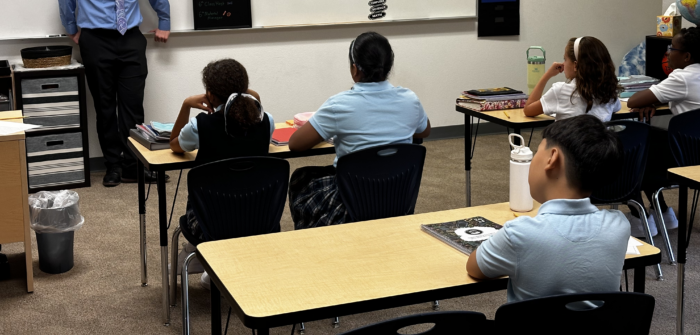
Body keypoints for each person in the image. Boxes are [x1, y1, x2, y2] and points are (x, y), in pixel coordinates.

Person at [58, 0, 171, 187]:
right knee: (105, 106)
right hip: (96, 40)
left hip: (130, 39)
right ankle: (113, 166)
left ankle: (136, 164)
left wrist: (164, 21)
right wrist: (72, 28)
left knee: (133, 107)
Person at [466, 115, 629, 302]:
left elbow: (474, 267)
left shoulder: (520, 233)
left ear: (552, 158)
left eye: (536, 152)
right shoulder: (618, 226)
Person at [288, 31, 431, 229]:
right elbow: (424, 131)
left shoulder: (340, 105)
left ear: (355, 69)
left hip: (350, 203)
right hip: (396, 197)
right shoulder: (410, 100)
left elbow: (295, 144)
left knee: (302, 179)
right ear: (388, 67)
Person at [169, 58, 274, 288]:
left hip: (209, 222)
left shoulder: (201, 126)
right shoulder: (267, 121)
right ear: (244, 89)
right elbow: (253, 104)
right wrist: (244, 92)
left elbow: (174, 144)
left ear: (210, 94)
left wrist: (187, 104)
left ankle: (201, 254)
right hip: (258, 216)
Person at [625, 27, 700, 235]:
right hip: (695, 151)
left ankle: (640, 218)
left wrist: (651, 100)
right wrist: (656, 101)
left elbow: (633, 101)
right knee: (647, 137)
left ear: (686, 56)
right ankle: (665, 213)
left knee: (632, 148)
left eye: (671, 48)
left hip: (686, 158)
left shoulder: (682, 78)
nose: (667, 53)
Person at [524, 36, 621, 121]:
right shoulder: (609, 94)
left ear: (576, 65)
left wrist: (547, 75)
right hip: (599, 142)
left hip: (567, 142)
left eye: (565, 59)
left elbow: (528, 110)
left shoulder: (559, 91)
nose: (563, 64)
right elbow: (617, 108)